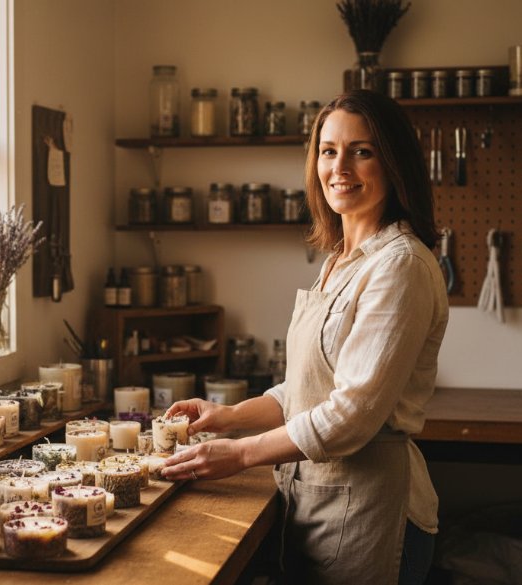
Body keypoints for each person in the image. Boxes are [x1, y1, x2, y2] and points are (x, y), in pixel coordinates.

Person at [161, 90, 449, 585]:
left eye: (362, 151)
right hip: (317, 503)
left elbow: (350, 415)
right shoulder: (338, 260)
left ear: (393, 162)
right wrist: (228, 417)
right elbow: (306, 389)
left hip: (368, 514)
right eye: (328, 150)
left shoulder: (400, 264)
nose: (340, 167)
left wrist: (240, 453)